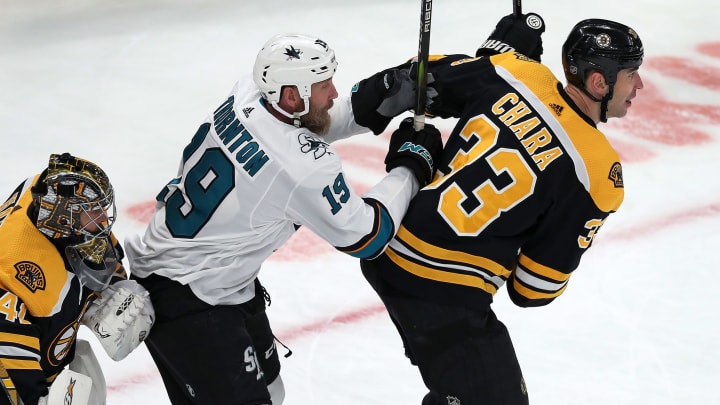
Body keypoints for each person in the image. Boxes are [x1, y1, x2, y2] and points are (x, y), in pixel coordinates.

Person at [123, 32, 443, 404]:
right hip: (190, 300)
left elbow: (305, 127)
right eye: (325, 86)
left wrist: (381, 95)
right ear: (292, 95)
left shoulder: (249, 93)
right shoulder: (299, 167)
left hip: (218, 280)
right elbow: (368, 235)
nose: (335, 94)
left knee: (272, 393)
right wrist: (411, 166)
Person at [359, 14, 644, 404]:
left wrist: (498, 53)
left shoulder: (516, 72)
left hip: (390, 244)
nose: (639, 85)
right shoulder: (598, 173)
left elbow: (423, 79)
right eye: (631, 74)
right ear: (599, 82)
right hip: (442, 291)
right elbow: (533, 289)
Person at [0, 153, 154, 405]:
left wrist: (112, 287)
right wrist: (36, 398)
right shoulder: (22, 278)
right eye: (94, 212)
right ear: (64, 217)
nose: (104, 219)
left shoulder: (44, 195)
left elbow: (103, 255)